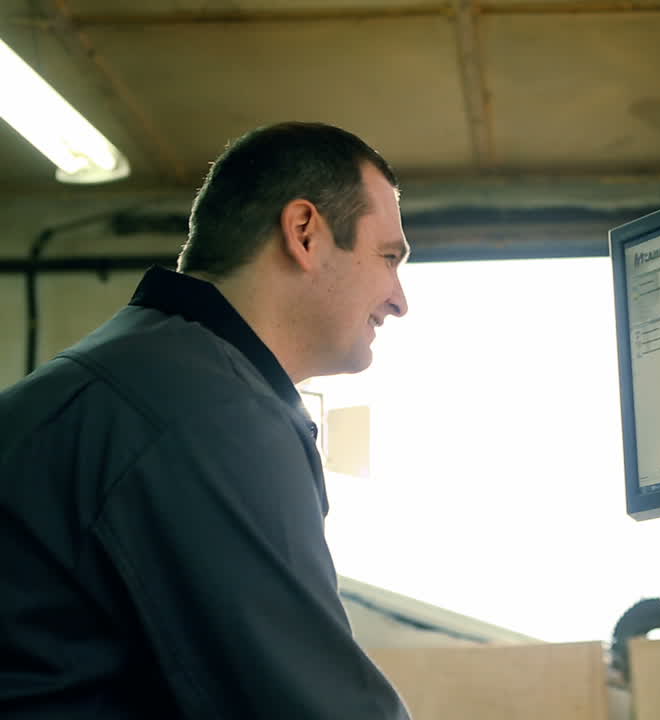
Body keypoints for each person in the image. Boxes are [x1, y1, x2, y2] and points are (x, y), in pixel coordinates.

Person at [0, 122, 412, 718]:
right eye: (388, 258)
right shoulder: (213, 414)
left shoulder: (138, 370)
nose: (401, 300)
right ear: (304, 233)